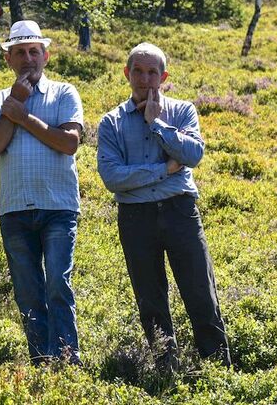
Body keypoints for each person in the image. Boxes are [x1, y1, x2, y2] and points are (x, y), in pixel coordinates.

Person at [96, 42, 231, 371]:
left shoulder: (183, 111)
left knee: (200, 291)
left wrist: (156, 124)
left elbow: (193, 156)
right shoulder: (111, 122)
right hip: (135, 218)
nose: (145, 80)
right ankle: (165, 368)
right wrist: (165, 170)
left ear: (164, 76)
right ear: (127, 74)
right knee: (150, 297)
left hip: (180, 211)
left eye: (152, 72)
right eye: (138, 72)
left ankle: (218, 368)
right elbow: (113, 177)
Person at [0, 20, 84, 364]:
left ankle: (67, 360)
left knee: (58, 285)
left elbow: (70, 143)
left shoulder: (65, 93)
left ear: (46, 55)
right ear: (8, 59)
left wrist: (23, 116)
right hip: (14, 210)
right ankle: (42, 361)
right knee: (27, 293)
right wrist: (14, 105)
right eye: (20, 53)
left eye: (34, 51)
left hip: (58, 207)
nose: (28, 59)